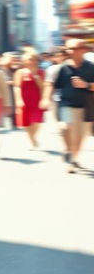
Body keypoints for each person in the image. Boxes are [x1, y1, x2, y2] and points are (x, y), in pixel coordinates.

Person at [51, 39, 94, 173]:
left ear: (83, 50)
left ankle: (74, 158)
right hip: (66, 104)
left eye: (74, 48)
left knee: (80, 138)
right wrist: (46, 99)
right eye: (69, 49)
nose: (71, 51)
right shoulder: (62, 68)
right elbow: (52, 85)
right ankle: (69, 153)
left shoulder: (91, 67)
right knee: (65, 127)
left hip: (87, 107)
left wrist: (86, 85)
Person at [13, 51, 45, 150]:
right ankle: (33, 141)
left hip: (37, 100)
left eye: (34, 59)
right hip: (25, 99)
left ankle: (33, 138)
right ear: (25, 61)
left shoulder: (41, 72)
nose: (32, 62)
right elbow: (17, 87)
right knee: (27, 122)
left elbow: (43, 86)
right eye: (30, 59)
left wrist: (35, 75)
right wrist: (18, 100)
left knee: (37, 121)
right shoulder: (20, 72)